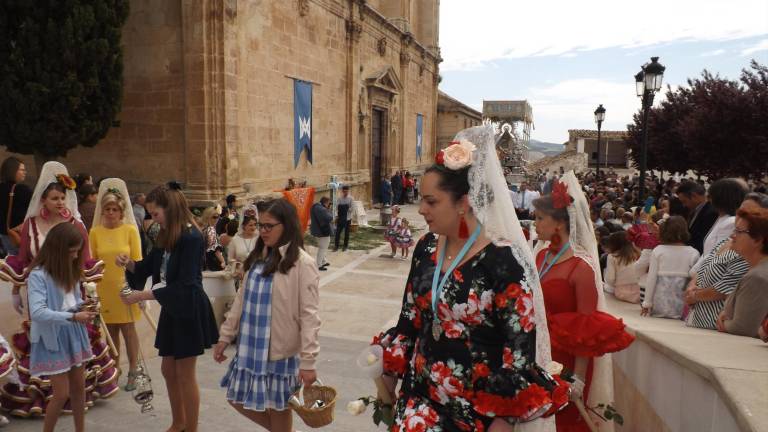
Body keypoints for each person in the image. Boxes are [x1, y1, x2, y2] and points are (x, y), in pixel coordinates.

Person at [374, 128, 569, 432]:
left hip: (476, 413)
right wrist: (385, 381)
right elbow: (410, 318)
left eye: (431, 201)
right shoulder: (425, 248)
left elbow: (518, 351)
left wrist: (503, 420)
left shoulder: (504, 262)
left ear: (463, 202)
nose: (422, 209)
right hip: (419, 403)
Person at [0, 162, 117, 417]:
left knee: (70, 336)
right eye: (55, 198)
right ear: (43, 199)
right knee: (41, 334)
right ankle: (41, 395)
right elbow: (23, 258)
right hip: (38, 286)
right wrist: (14, 291)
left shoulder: (74, 225)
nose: (60, 202)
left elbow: (84, 259)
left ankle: (72, 393)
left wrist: (88, 291)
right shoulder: (31, 225)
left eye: (63, 197)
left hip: (68, 288)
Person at [533, 172, 634, 432]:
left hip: (565, 361)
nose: (535, 224)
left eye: (540, 218)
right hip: (537, 353)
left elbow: (586, 329)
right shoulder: (540, 256)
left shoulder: (581, 268)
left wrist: (577, 379)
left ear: (558, 224)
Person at [213, 199, 321, 432]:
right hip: (250, 349)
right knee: (236, 398)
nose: (263, 231)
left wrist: (308, 362)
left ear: (287, 226)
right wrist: (225, 336)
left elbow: (310, 316)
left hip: (280, 354)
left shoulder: (303, 263)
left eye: (269, 226)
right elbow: (241, 299)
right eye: (261, 225)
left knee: (280, 410)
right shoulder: (259, 256)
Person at [119, 183, 218, 432]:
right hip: (173, 307)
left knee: (185, 373)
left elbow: (186, 284)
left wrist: (142, 294)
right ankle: (179, 422)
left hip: (188, 308)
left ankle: (190, 427)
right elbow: (147, 267)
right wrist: (128, 263)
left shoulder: (191, 237)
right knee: (167, 369)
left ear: (170, 209)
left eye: (155, 214)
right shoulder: (165, 235)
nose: (153, 219)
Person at [27, 223, 97, 432]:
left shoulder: (70, 270)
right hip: (53, 336)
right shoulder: (38, 276)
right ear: (58, 249)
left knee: (79, 388)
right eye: (72, 251)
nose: (76, 256)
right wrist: (74, 315)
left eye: (77, 251)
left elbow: (70, 302)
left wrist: (84, 306)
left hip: (74, 332)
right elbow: (38, 312)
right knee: (61, 393)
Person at [88, 179, 143, 391]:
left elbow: (138, 263)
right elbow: (91, 262)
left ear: (121, 212)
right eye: (107, 209)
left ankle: (133, 370)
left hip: (125, 287)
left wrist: (136, 288)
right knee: (110, 332)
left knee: (128, 330)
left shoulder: (130, 230)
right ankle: (114, 369)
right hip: (104, 289)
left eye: (114, 209)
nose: (110, 213)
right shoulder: (95, 233)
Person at [717, 207, 768, 338]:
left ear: (757, 240)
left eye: (739, 231)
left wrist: (723, 322)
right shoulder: (757, 270)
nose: (732, 235)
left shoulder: (757, 277)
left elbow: (743, 328)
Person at [641, 216, 700, 319]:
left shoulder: (658, 251)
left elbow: (651, 279)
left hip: (660, 303)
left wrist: (647, 303)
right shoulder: (693, 253)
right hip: (682, 305)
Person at [0, 157, 32, 256]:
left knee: (11, 264)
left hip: (4, 235)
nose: (25, 172)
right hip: (20, 235)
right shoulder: (22, 190)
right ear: (12, 171)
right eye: (22, 170)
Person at [676, 181, 718, 254]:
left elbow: (702, 241)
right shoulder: (694, 210)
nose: (684, 205)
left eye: (684, 201)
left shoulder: (710, 213)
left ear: (694, 196)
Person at [603, 231, 641, 303]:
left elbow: (610, 279)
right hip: (640, 292)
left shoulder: (612, 256)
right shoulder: (638, 253)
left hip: (621, 293)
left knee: (604, 286)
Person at [310, 196, 333, 270]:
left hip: (319, 230)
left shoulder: (316, 207)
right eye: (328, 203)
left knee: (324, 246)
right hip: (322, 231)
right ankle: (319, 264)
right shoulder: (321, 209)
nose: (329, 204)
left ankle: (323, 261)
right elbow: (329, 218)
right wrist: (329, 210)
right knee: (322, 248)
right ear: (325, 202)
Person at [201, 206, 226, 271]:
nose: (217, 219)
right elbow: (215, 249)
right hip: (212, 263)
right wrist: (223, 261)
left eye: (218, 217)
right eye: (214, 217)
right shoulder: (211, 230)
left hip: (204, 263)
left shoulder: (203, 229)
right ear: (208, 218)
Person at [334, 185, 353, 252]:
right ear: (342, 191)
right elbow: (336, 208)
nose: (345, 193)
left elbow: (352, 208)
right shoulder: (339, 198)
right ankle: (336, 246)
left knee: (346, 233)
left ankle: (345, 246)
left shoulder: (351, 198)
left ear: (348, 191)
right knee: (338, 232)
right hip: (340, 217)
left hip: (347, 218)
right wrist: (336, 216)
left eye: (346, 191)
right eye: (344, 191)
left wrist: (346, 208)